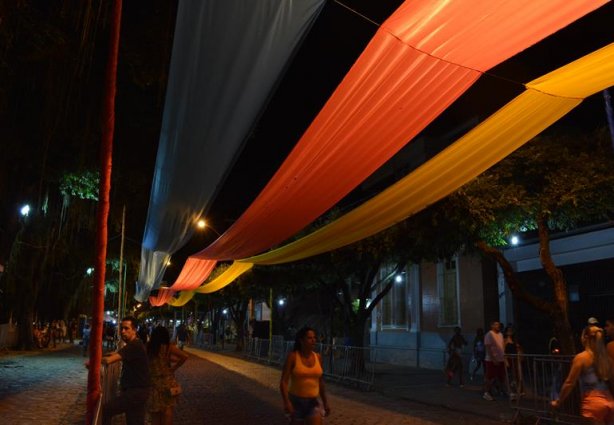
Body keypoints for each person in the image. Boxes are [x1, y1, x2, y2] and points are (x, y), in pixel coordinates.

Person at [552, 325, 614, 424]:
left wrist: (558, 401)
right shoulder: (607, 358)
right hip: (609, 402)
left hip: (592, 404)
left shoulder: (581, 358)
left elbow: (569, 383)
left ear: (585, 337)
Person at [98, 316, 151, 425]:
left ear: (135, 330)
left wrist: (95, 362)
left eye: (126, 328)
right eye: (121, 328)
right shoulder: (135, 344)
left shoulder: (134, 346)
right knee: (134, 421)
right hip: (139, 391)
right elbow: (117, 354)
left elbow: (109, 360)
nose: (122, 331)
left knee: (107, 409)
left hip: (135, 392)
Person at [280, 327, 331, 424]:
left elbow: (320, 382)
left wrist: (325, 402)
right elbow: (284, 381)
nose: (313, 340)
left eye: (314, 338)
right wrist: (286, 402)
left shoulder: (318, 357)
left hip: (313, 402)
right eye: (309, 338)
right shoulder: (293, 357)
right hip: (296, 402)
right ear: (301, 340)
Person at [147, 325, 188, 425]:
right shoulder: (168, 347)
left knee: (155, 412)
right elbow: (185, 356)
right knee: (167, 410)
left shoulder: (148, 347)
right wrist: (174, 367)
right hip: (167, 382)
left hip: (153, 384)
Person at [483, 321, 506, 401]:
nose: (498, 326)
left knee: (501, 376)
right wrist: (493, 359)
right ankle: (486, 393)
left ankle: (502, 391)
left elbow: (502, 346)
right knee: (490, 377)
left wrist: (504, 358)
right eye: (496, 324)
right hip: (491, 360)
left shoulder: (500, 334)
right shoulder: (489, 334)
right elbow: (488, 348)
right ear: (492, 325)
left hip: (501, 358)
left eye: (498, 325)